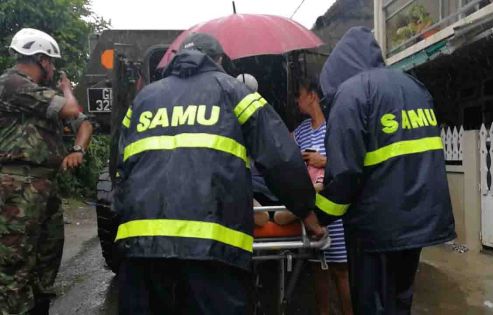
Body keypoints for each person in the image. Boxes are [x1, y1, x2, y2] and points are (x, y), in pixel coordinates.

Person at [113, 32, 324, 314]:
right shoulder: (237, 94)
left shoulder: (143, 101)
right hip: (212, 250)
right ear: (219, 59)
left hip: (141, 250)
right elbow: (280, 158)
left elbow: (120, 168)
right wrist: (308, 214)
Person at [314, 27, 456, 314]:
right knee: (400, 300)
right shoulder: (414, 87)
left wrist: (317, 214)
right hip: (418, 221)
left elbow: (345, 174)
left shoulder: (352, 94)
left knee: (373, 305)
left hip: (377, 227)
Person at [0, 28, 93, 314]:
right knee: (14, 264)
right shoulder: (12, 83)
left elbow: (84, 123)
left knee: (46, 259)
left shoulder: (40, 95)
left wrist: (78, 150)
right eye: (51, 62)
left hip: (43, 186)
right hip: (17, 185)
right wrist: (66, 87)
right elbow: (71, 108)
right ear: (40, 59)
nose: (52, 68)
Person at [277, 78, 352, 315]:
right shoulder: (300, 132)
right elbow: (284, 153)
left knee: (341, 271)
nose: (297, 102)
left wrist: (325, 162)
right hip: (312, 212)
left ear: (313, 96)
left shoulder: (335, 129)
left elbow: (350, 167)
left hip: (335, 212)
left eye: (300, 96)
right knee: (319, 270)